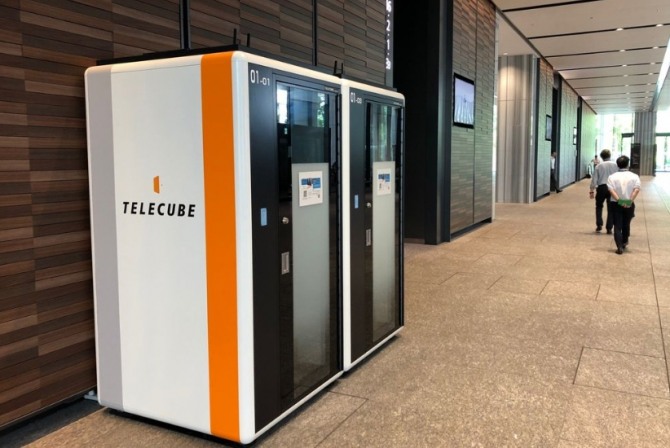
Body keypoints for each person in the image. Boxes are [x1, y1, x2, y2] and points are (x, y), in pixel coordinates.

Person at [607, 155, 641, 255]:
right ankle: (625, 241)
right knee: (626, 224)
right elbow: (636, 189)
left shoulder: (612, 177)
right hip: (629, 204)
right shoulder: (634, 176)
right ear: (628, 164)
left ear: (617, 165)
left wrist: (620, 201)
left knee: (617, 225)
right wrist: (629, 201)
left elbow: (611, 190)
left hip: (615, 204)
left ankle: (619, 246)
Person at [588, 149, 618, 233]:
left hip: (601, 187)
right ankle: (609, 228)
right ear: (610, 155)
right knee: (611, 208)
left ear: (601, 157)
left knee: (599, 206)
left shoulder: (598, 166)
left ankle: (599, 225)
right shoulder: (616, 165)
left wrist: (591, 190)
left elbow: (594, 179)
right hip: (612, 188)